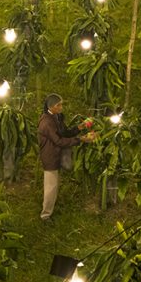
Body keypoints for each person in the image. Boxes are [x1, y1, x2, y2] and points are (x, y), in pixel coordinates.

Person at [38, 93, 95, 221]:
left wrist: (80, 127)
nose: (61, 107)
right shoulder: (46, 122)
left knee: (54, 185)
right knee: (50, 187)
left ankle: (50, 208)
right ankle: (45, 215)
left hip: (56, 155)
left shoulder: (56, 117)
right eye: (59, 105)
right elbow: (59, 141)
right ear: (51, 107)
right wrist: (81, 140)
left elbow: (65, 133)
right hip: (50, 157)